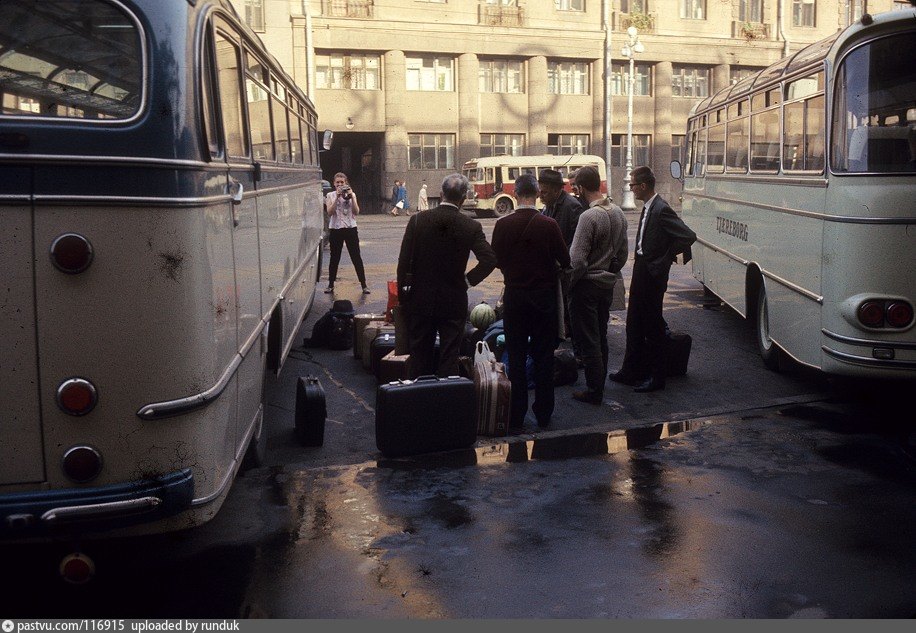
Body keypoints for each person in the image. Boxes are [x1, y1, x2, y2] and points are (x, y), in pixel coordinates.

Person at [491, 174, 570, 433]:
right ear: (536, 193)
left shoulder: (503, 225)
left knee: (515, 354)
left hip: (515, 297)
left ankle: (516, 413)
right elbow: (565, 259)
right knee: (543, 356)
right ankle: (544, 413)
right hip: (543, 298)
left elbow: (497, 260)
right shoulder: (549, 225)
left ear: (515, 194)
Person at [396, 173, 497, 378]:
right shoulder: (471, 226)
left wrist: (404, 297)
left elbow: (403, 263)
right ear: (463, 197)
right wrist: (467, 280)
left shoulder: (418, 221)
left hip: (420, 299)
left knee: (419, 356)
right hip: (453, 299)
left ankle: (418, 398)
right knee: (449, 356)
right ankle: (446, 401)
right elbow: (489, 259)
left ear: (441, 194)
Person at [609, 166, 696, 393]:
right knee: (634, 323)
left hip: (652, 274)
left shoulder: (661, 209)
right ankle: (630, 371)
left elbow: (687, 236)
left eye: (633, 185)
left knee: (653, 326)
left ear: (643, 186)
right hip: (641, 270)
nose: (631, 188)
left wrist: (664, 258)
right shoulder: (650, 207)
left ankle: (657, 378)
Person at [566, 166, 628, 405]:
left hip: (586, 287)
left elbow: (577, 260)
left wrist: (570, 284)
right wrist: (610, 272)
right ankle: (599, 385)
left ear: (581, 188)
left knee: (588, 340)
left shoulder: (588, 217)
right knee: (600, 335)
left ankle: (594, 391)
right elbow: (622, 254)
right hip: (606, 285)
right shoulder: (618, 212)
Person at [324, 172, 370, 295]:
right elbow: (329, 212)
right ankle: (330, 284)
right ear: (334, 184)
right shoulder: (330, 195)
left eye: (342, 182)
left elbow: (356, 212)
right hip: (336, 229)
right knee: (334, 258)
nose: (340, 184)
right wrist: (337, 198)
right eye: (337, 182)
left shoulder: (352, 194)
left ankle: (364, 285)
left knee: (356, 257)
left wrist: (353, 197)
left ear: (346, 183)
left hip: (350, 228)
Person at [538, 168, 583, 248]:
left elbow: (577, 241)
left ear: (555, 190)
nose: (540, 196)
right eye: (539, 192)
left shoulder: (572, 206)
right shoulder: (549, 204)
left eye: (544, 192)